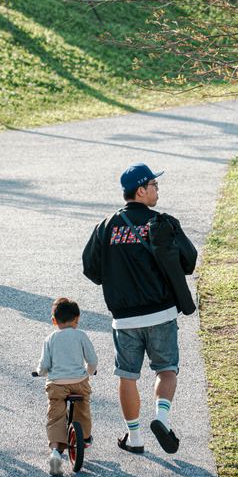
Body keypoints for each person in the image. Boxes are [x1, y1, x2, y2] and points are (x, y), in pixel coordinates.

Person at [82, 163, 197, 456]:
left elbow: (91, 269)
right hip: (162, 313)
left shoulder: (106, 226)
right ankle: (161, 418)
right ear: (141, 190)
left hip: (124, 319)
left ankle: (134, 437)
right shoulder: (163, 223)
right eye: (154, 185)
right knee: (166, 369)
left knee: (127, 375)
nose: (158, 190)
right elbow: (189, 261)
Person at [35, 297, 98, 476]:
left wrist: (40, 372)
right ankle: (84, 437)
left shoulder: (50, 339)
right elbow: (92, 360)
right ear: (77, 319)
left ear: (54, 320)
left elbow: (44, 365)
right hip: (79, 382)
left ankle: (56, 452)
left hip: (57, 384)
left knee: (55, 415)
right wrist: (89, 371)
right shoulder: (81, 336)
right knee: (83, 408)